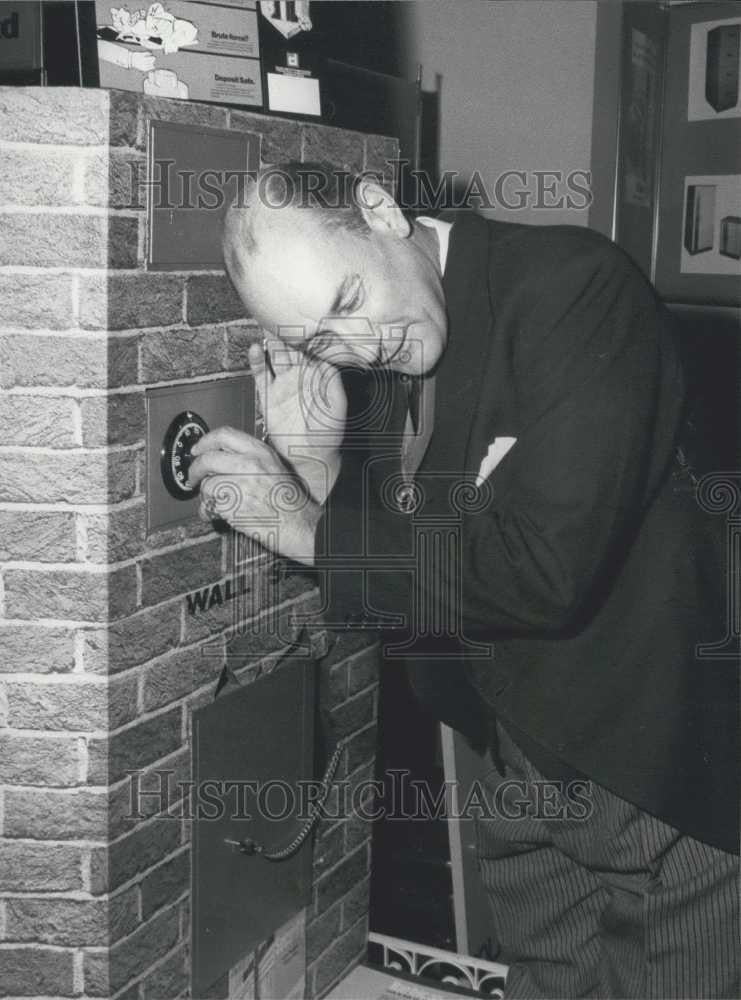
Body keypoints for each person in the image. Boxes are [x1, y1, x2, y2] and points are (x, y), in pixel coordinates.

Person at [188, 162, 739, 998]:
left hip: (658, 768)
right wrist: (321, 473)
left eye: (345, 301)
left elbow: (543, 569)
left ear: (379, 210)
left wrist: (301, 527)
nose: (359, 345)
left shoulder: (570, 286)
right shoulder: (385, 356)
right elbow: (430, 578)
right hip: (523, 758)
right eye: (317, 342)